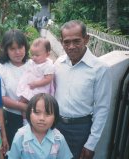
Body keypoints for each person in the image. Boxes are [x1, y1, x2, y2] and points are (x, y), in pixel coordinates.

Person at [54, 20, 112, 159]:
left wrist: (90, 144)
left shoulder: (99, 69)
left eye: (76, 41)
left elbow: (102, 109)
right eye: (66, 42)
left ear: (86, 39)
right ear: (61, 42)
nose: (71, 46)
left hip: (80, 130)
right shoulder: (58, 64)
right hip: (56, 126)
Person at [0, 29, 30, 147]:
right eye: (12, 49)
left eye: (20, 47)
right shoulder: (0, 68)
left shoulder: (33, 65)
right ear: (6, 50)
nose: (17, 52)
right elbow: (1, 98)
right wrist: (23, 106)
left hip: (34, 117)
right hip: (11, 118)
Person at [7, 93, 73, 159]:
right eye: (37, 112)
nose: (42, 118)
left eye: (48, 113)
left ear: (55, 117)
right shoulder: (21, 136)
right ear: (29, 113)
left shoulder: (59, 139)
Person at [16, 37, 55, 125]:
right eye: (32, 54)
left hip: (39, 89)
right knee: (22, 101)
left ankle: (32, 120)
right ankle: (25, 119)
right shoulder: (32, 62)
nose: (33, 57)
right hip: (30, 86)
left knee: (36, 105)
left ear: (47, 54)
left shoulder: (48, 65)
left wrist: (36, 84)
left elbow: (48, 79)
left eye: (37, 55)